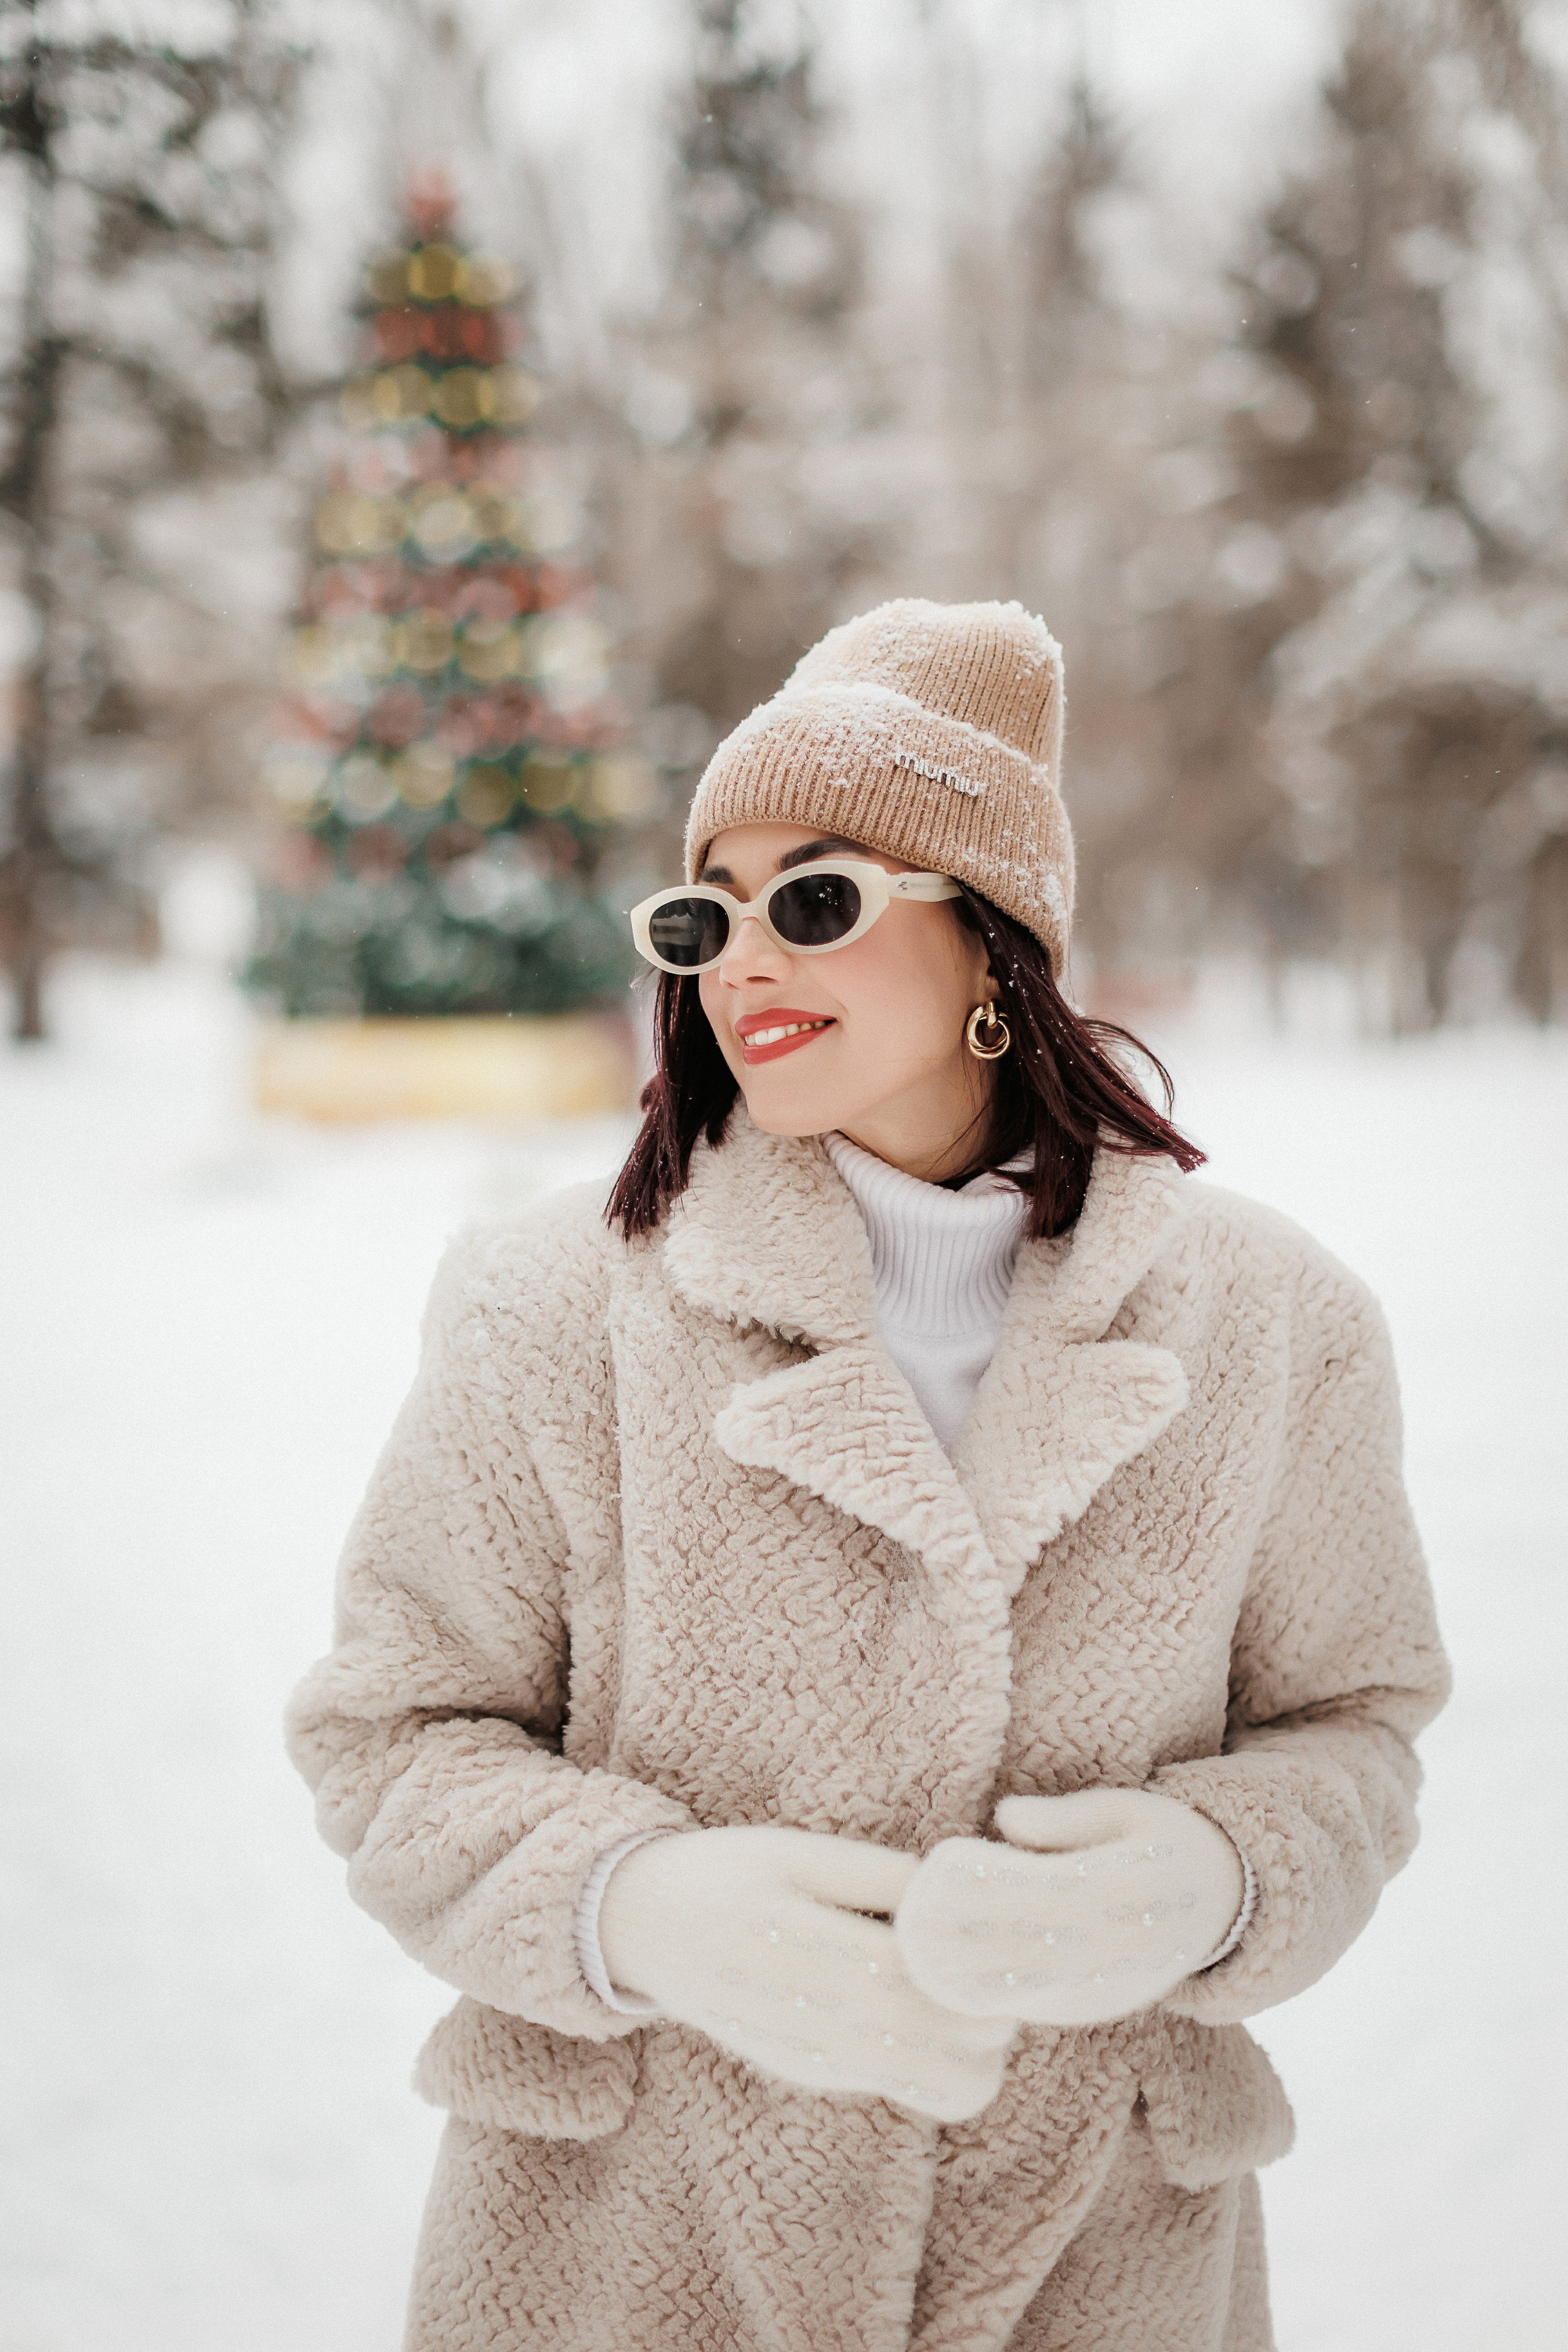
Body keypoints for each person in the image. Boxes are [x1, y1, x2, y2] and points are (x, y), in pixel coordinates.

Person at [287, 600, 1450, 2351]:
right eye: (704, 914)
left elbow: (1354, 1727)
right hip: (626, 2271)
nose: (743, 958)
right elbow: (389, 1738)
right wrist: (638, 1911)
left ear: (995, 940)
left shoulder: (1282, 1326)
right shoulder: (551, 1312)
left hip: (1110, 2267)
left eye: (815, 900)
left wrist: (1212, 1881)